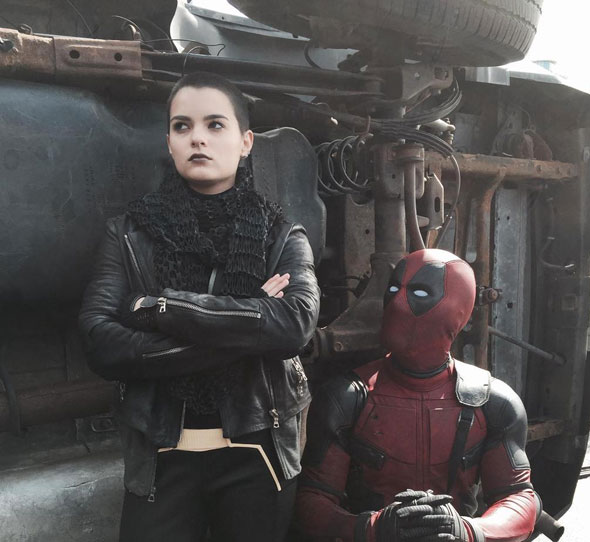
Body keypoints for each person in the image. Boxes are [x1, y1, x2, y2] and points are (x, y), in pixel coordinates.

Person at [79, 71, 320, 542]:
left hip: (259, 452)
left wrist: (162, 307)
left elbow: (294, 325)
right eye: (182, 126)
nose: (197, 138)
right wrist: (249, 317)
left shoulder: (281, 234)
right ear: (169, 142)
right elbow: (99, 341)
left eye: (215, 124)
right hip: (160, 453)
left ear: (245, 142)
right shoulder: (128, 233)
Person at [295, 249, 537, 542]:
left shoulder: (493, 402)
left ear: (459, 310)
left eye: (420, 293)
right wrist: (371, 528)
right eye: (393, 290)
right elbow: (310, 502)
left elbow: (521, 500)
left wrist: (468, 530)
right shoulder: (346, 398)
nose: (397, 302)